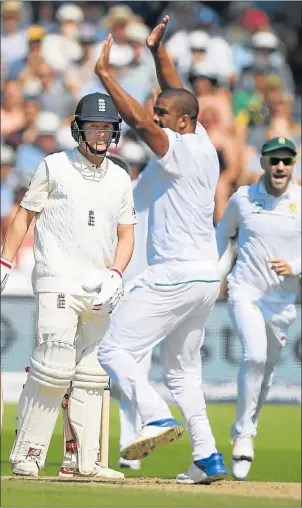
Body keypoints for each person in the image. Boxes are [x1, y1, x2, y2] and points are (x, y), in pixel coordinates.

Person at [96, 16, 227, 484]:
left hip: (172, 276)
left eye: (163, 117)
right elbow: (176, 95)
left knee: (113, 351)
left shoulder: (177, 150)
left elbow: (135, 119)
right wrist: (158, 52)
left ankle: (155, 417)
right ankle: (208, 458)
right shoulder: (203, 143)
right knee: (182, 374)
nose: (155, 122)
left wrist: (106, 76)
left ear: (182, 123)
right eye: (158, 116)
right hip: (204, 278)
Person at [1, 91, 137, 480]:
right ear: (79, 127)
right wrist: (4, 260)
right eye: (94, 126)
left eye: (107, 127)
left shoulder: (119, 177)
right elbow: (24, 216)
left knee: (92, 374)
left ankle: (83, 463)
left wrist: (116, 273)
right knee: (54, 363)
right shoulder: (53, 166)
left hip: (98, 286)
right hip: (57, 276)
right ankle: (27, 453)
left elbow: (126, 236)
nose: (100, 133)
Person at [216, 137, 301, 480]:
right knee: (253, 355)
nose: (280, 166)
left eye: (286, 160)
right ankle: (243, 435)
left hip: (282, 303)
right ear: (263, 163)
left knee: (265, 373)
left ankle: (248, 426)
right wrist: (216, 276)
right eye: (274, 160)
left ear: (293, 165)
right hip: (245, 291)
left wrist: (294, 267)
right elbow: (223, 235)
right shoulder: (243, 198)